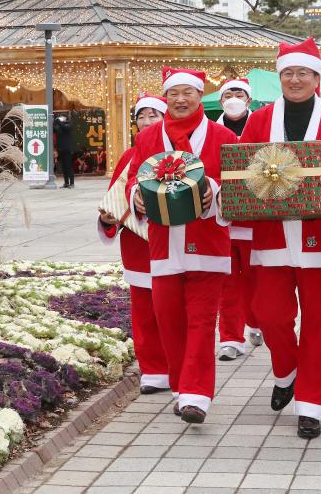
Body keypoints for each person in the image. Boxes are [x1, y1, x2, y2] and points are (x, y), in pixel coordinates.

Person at [236, 37, 321, 439]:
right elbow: (240, 171)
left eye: (303, 73)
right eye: (288, 73)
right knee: (269, 313)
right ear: (280, 77)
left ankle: (312, 405)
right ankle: (287, 369)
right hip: (272, 236)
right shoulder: (258, 121)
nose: (295, 79)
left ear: (316, 77)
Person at [126, 67, 238, 424]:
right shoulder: (147, 139)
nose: (180, 99)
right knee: (168, 319)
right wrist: (136, 197)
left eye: (187, 93)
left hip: (207, 243)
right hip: (161, 245)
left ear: (199, 96)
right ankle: (180, 385)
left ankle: (196, 395)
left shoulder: (222, 136)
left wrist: (214, 188)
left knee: (202, 323)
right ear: (166, 97)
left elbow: (238, 184)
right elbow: (134, 177)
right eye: (173, 94)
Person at [98, 93, 170, 395]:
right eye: (142, 116)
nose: (147, 121)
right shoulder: (129, 157)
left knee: (171, 309)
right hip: (138, 247)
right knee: (143, 310)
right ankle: (153, 369)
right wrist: (108, 219)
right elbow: (114, 201)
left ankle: (177, 367)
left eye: (154, 115)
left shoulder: (179, 154)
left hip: (173, 242)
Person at [215, 77, 262, 360]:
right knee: (228, 283)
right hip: (221, 221)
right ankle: (230, 339)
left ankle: (256, 322)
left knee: (256, 279)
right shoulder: (211, 131)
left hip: (256, 221)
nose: (233, 98)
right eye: (228, 94)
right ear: (221, 100)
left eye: (239, 93)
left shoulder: (263, 127)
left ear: (249, 100)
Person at [53, 113, 75, 188]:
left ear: (65, 118)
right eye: (60, 117)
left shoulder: (69, 124)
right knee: (63, 167)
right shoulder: (59, 126)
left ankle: (72, 183)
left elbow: (66, 128)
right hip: (60, 149)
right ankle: (66, 183)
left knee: (68, 166)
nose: (60, 118)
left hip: (67, 149)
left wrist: (59, 121)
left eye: (62, 117)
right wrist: (54, 121)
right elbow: (53, 129)